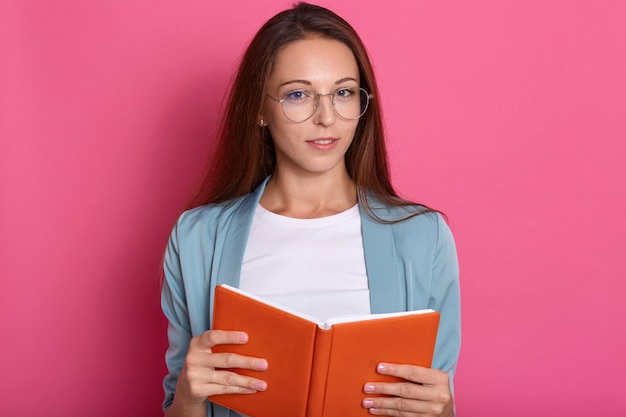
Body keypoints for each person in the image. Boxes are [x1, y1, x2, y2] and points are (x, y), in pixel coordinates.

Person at [161, 3, 460, 416]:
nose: (326, 118)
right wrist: (190, 397)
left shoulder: (423, 237)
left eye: (343, 93)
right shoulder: (197, 238)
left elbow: (436, 399)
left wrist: (442, 411)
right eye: (298, 94)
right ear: (259, 110)